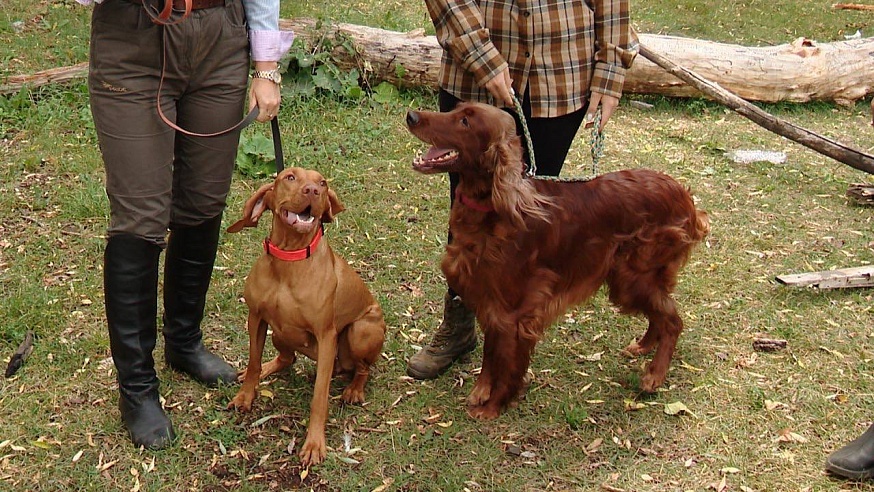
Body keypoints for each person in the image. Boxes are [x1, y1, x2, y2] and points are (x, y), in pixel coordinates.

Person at [80, 0, 293, 449]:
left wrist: (266, 65)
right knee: (140, 217)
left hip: (219, 40)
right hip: (134, 38)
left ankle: (184, 341)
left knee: (204, 201)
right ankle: (137, 388)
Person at [407, 0, 638, 379]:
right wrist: (481, 54)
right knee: (469, 205)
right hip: (475, 66)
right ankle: (460, 322)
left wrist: (612, 66)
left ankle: (514, 331)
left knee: (532, 221)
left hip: (562, 68)